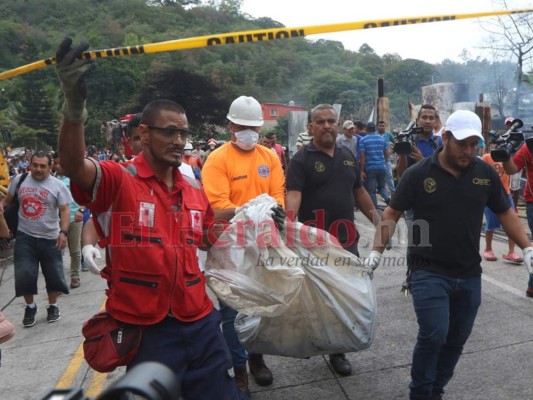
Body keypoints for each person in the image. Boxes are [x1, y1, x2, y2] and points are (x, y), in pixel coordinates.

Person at [54, 38, 247, 400]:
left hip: (201, 320)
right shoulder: (119, 179)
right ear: (143, 134)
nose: (179, 140)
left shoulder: (192, 188)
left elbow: (209, 236)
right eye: (169, 131)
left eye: (183, 132)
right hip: (149, 330)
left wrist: (250, 217)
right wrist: (75, 105)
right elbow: (73, 166)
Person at [365, 110, 533, 400]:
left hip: (469, 273)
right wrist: (375, 253)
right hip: (427, 269)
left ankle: (436, 390)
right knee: (434, 335)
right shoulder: (418, 174)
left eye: (474, 144)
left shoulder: (484, 173)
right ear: (445, 139)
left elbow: (505, 212)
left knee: (456, 340)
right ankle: (420, 393)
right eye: (462, 143)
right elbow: (391, 213)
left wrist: (527, 247)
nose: (469, 151)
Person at [285, 103, 380, 376]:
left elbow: (359, 192)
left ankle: (337, 351)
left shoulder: (348, 154)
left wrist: (380, 220)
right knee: (313, 298)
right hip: (314, 245)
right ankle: (308, 341)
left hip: (346, 242)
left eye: (331, 121)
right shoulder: (301, 160)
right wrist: (289, 229)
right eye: (321, 121)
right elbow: (293, 196)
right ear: (311, 127)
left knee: (344, 298)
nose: (327, 125)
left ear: (338, 125)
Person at [202, 95, 286, 396]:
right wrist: (250, 209)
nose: (249, 131)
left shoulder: (269, 157)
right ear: (230, 126)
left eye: (254, 127)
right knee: (232, 310)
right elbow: (216, 205)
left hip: (263, 243)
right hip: (230, 246)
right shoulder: (218, 159)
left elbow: (278, 194)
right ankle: (238, 371)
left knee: (260, 305)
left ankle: (256, 359)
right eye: (243, 126)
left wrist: (273, 210)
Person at [4, 151, 72, 327]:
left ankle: (53, 305)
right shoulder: (18, 180)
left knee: (53, 274)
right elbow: (8, 201)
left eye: (43, 166)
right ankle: (30, 306)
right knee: (24, 273)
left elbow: (64, 210)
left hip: (51, 237)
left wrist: (63, 232)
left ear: (50, 167)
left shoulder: (58, 186)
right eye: (35, 165)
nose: (38, 169)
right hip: (25, 236)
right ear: (29, 165)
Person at [481, 143, 523, 263]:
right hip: (491, 195)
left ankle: (511, 252)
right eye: (495, 144)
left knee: (512, 223)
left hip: (506, 194)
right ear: (491, 146)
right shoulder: (486, 157)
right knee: (491, 223)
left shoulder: (507, 158)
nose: (498, 147)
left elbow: (512, 171)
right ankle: (488, 249)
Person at [52, 153, 85, 289]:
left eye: (61, 163)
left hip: (74, 219)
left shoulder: (74, 178)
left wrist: (81, 210)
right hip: (56, 222)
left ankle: (75, 277)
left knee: (75, 250)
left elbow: (86, 195)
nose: (58, 166)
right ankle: (58, 282)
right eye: (55, 163)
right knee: (56, 252)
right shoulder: (51, 180)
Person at [396, 104, 442, 179]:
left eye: (431, 118)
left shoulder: (439, 142)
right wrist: (402, 154)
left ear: (436, 122)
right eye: (424, 117)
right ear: (417, 121)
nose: (427, 121)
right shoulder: (409, 141)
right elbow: (401, 175)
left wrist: (422, 160)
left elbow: (443, 171)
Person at [359, 121, 390, 208]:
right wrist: (383, 163)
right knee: (382, 187)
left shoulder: (363, 140)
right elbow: (386, 154)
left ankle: (375, 208)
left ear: (366, 129)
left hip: (370, 168)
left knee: (371, 190)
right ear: (375, 129)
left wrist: (362, 170)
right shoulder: (382, 139)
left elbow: (362, 156)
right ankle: (387, 199)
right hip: (382, 167)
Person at [503, 116, 521, 213]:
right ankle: (509, 206)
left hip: (516, 162)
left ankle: (515, 207)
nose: (510, 125)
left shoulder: (519, 134)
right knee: (507, 185)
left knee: (515, 186)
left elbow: (520, 147)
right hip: (506, 161)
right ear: (506, 124)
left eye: (511, 123)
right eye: (508, 123)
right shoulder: (505, 135)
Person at [377, 120, 396, 196]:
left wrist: (392, 151)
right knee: (379, 178)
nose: (381, 127)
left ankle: (394, 194)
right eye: (380, 125)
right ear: (377, 127)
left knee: (389, 177)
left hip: (386, 159)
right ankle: (383, 195)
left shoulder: (388, 135)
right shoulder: (375, 135)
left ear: (385, 126)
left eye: (383, 125)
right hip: (377, 159)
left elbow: (396, 142)